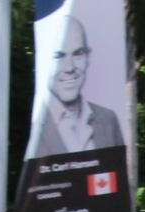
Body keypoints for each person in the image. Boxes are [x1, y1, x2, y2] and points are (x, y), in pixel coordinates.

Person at [29, 17, 123, 159]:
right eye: (58, 56)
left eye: (77, 54)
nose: (69, 68)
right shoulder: (35, 123)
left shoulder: (108, 120)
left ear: (88, 58)